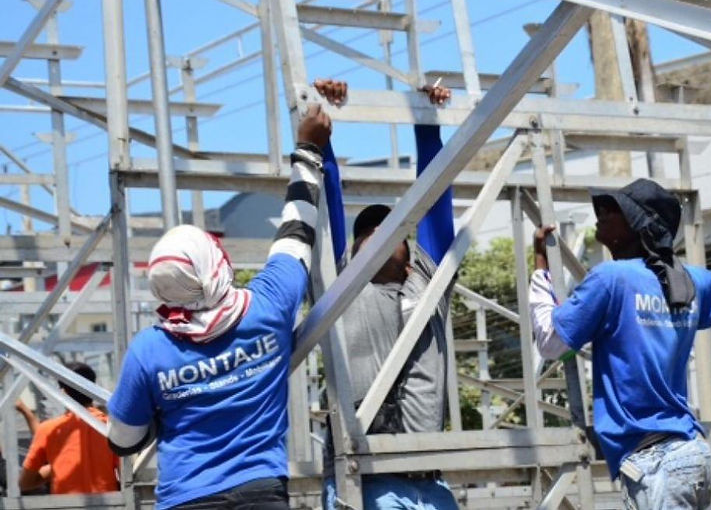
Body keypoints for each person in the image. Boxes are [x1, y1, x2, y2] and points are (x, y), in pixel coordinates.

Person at [105, 104, 333, 509]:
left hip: (184, 499)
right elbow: (298, 229)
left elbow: (124, 441)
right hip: (260, 491)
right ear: (216, 264)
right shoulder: (269, 304)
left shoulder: (149, 351)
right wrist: (308, 150)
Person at [528, 180, 711, 510]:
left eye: (613, 209)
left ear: (639, 226)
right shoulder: (687, 281)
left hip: (655, 463)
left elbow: (551, 341)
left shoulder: (611, 279)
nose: (602, 213)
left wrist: (540, 267)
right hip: (689, 454)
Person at [312, 79, 458, 510]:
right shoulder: (342, 285)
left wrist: (427, 125)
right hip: (365, 481)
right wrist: (324, 121)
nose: (378, 233)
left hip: (430, 485)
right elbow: (327, 199)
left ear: (412, 255)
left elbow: (435, 200)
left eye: (392, 228)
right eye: (366, 232)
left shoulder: (426, 284)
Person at [20, 362, 119, 495]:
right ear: (93, 389)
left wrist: (56, 467)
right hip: (112, 504)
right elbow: (127, 475)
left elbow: (25, 483)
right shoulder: (112, 427)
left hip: (66, 505)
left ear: (63, 392)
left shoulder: (49, 429)